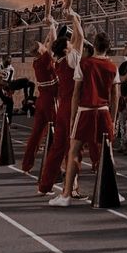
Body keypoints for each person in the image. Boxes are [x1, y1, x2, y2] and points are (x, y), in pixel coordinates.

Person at [50, 27, 119, 207]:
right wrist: (113, 118)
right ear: (108, 47)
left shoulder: (84, 64)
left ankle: (66, 195)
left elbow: (76, 93)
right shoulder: (113, 66)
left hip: (85, 110)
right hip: (104, 110)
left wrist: (73, 117)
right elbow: (115, 95)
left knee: (74, 151)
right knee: (108, 152)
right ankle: (113, 191)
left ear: (94, 45)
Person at [39, 18, 84, 196]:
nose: (72, 43)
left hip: (61, 107)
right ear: (66, 49)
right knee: (74, 149)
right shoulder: (72, 60)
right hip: (73, 108)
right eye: (69, 43)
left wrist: (52, 28)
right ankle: (72, 187)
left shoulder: (57, 61)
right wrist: (74, 17)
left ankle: (45, 185)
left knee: (57, 148)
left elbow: (54, 45)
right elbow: (80, 36)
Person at [21, 19, 59, 174]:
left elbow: (46, 43)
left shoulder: (37, 61)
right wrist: (52, 27)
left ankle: (26, 164)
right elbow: (53, 44)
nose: (45, 44)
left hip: (41, 100)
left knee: (36, 133)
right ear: (41, 50)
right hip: (51, 99)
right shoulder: (46, 59)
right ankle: (54, 165)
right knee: (57, 131)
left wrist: (52, 28)